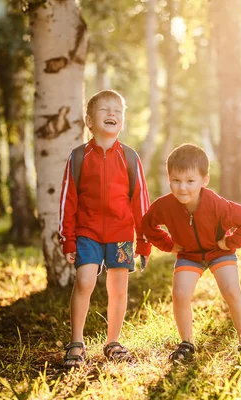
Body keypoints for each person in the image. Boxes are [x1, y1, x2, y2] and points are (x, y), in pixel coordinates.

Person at [142, 143, 241, 362]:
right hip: (189, 255)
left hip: (218, 252)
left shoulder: (216, 204)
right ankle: (186, 343)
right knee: (180, 294)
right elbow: (147, 225)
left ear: (204, 180)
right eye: (176, 181)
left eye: (190, 181)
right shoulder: (164, 206)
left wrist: (230, 242)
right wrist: (168, 244)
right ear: (169, 178)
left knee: (232, 290)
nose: (182, 188)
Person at [58, 89, 151, 367]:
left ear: (122, 122)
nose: (112, 114)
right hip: (87, 233)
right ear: (89, 121)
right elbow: (67, 202)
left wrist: (144, 241)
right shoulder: (78, 157)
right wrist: (68, 240)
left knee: (118, 288)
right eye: (104, 110)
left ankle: (113, 342)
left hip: (122, 235)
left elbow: (141, 203)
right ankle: (76, 342)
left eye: (118, 111)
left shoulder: (130, 158)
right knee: (85, 281)